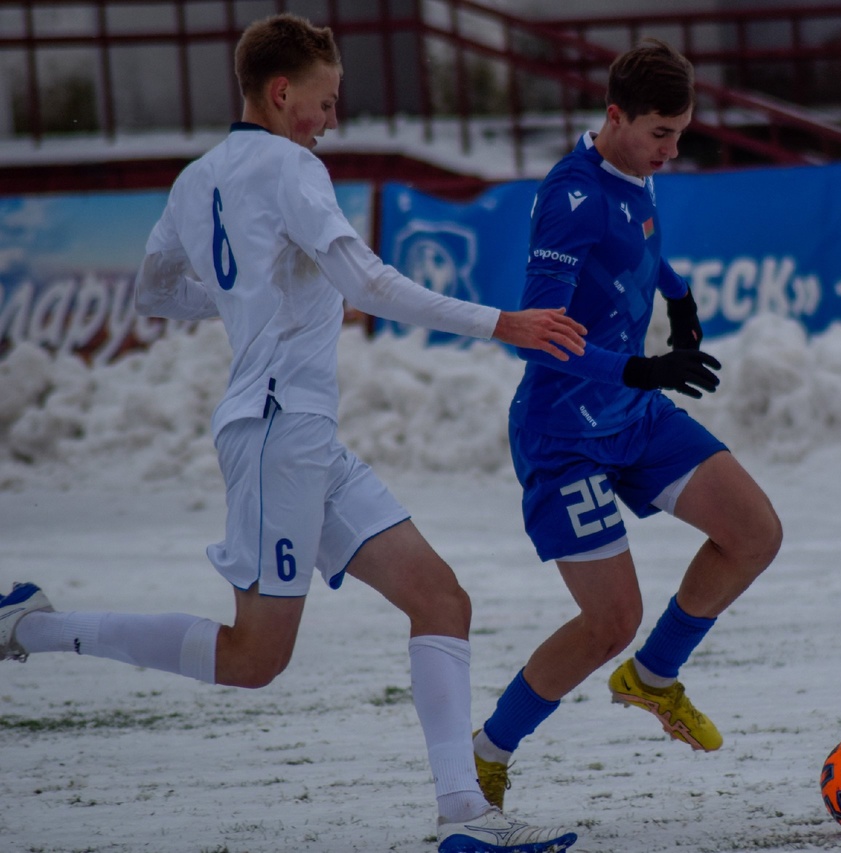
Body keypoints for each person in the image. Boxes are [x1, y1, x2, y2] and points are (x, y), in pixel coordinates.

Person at [0, 14, 585, 852]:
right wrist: (503, 324)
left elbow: (158, 295)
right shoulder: (291, 164)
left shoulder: (195, 179)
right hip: (278, 431)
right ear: (281, 93)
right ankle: (32, 626)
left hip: (299, 431)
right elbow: (370, 280)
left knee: (440, 598)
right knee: (254, 657)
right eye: (324, 100)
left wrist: (265, 294)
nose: (330, 118)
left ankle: (464, 816)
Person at [469, 39, 784, 809]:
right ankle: (487, 749)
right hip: (564, 430)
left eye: (681, 134)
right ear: (614, 117)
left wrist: (676, 295)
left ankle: (653, 677)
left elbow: (639, 243)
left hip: (629, 412)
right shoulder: (567, 199)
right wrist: (640, 368)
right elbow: (541, 329)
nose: (673, 153)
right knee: (611, 618)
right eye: (661, 135)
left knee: (755, 532)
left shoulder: (633, 170)